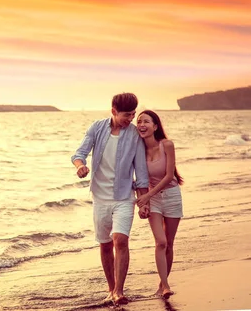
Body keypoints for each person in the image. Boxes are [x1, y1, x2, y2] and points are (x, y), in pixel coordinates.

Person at [71, 93, 149, 305]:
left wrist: (143, 202)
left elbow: (141, 172)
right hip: (100, 197)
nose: (131, 118)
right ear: (114, 111)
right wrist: (81, 167)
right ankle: (111, 288)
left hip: (124, 196)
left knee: (120, 240)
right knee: (105, 244)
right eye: (127, 114)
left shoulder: (134, 135)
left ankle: (119, 291)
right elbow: (79, 153)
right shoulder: (97, 127)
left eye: (133, 113)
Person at [135, 110, 183, 300]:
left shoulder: (167, 145)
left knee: (169, 244)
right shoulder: (138, 150)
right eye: (139, 121)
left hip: (171, 196)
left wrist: (147, 196)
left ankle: (162, 284)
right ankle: (166, 285)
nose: (142, 124)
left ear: (155, 126)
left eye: (146, 121)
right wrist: (143, 202)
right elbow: (139, 179)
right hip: (152, 199)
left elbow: (169, 176)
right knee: (160, 242)